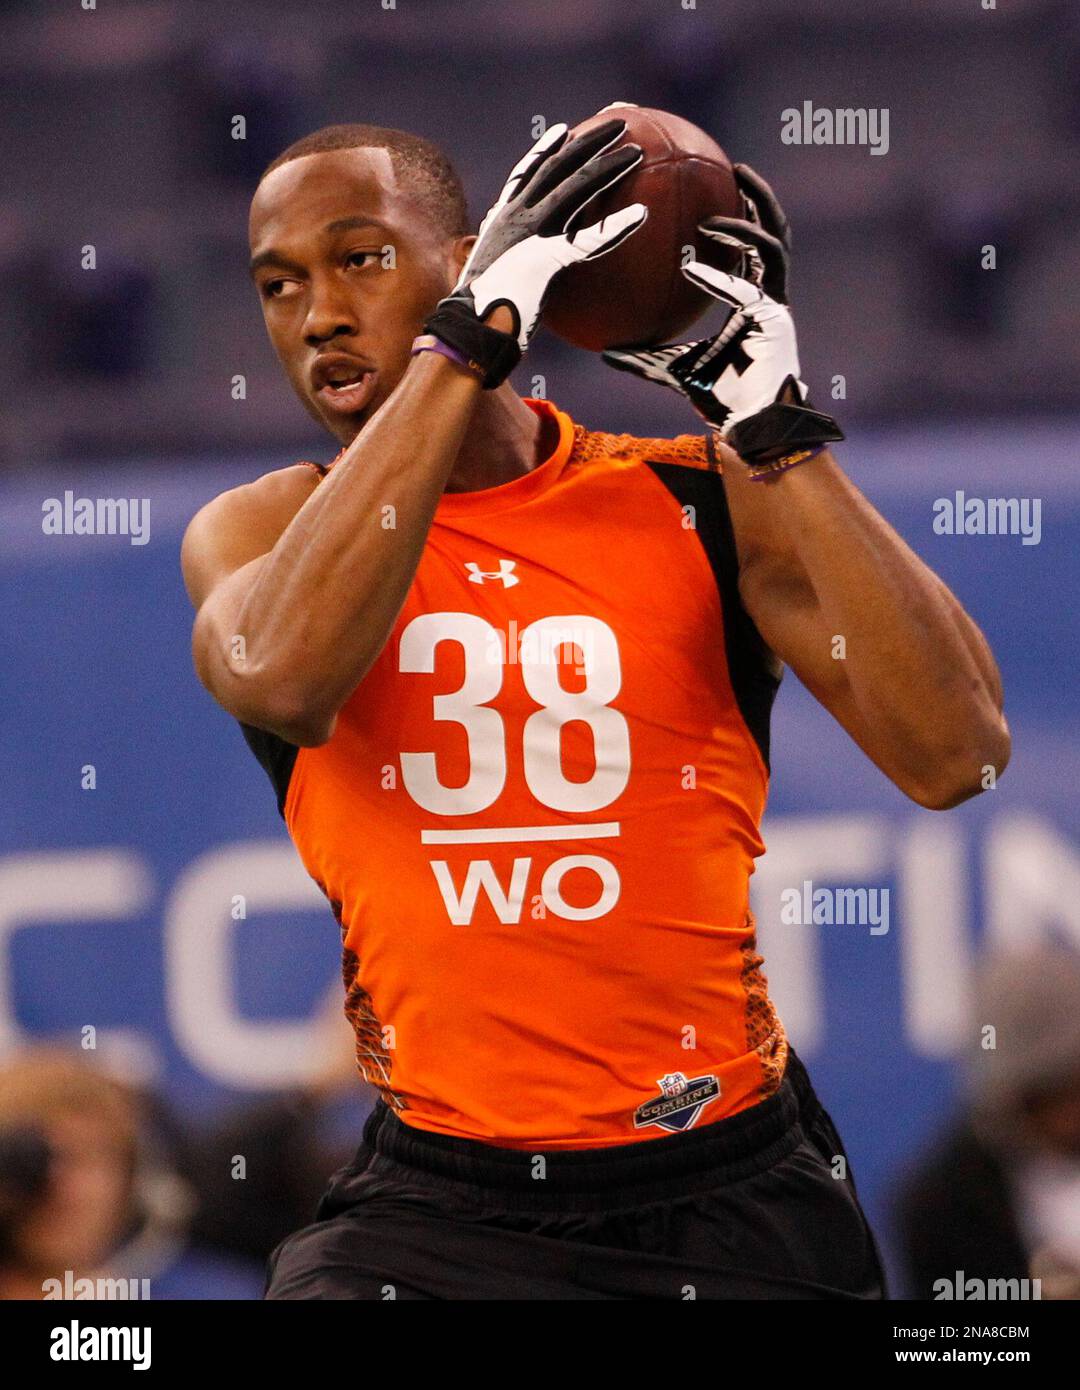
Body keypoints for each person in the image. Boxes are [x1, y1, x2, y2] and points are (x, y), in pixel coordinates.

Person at [180, 113, 1009, 1299]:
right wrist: (460, 345)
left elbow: (958, 756)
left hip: (733, 1189)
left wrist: (779, 434)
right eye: (278, 284)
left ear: (479, 257)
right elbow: (285, 676)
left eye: (360, 258)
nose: (316, 315)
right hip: (445, 1210)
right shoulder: (259, 531)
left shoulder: (699, 499)